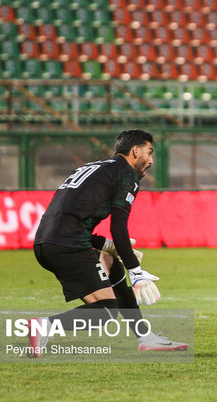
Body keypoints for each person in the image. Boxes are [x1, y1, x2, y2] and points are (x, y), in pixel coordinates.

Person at [29, 129, 188, 356]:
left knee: (112, 265)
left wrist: (106, 246)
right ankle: (44, 326)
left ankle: (144, 336)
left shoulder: (93, 167)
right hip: (68, 245)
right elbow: (119, 226)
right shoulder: (126, 174)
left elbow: (71, 215)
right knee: (106, 311)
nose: (151, 160)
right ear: (135, 151)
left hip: (46, 241)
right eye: (149, 152)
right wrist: (136, 271)